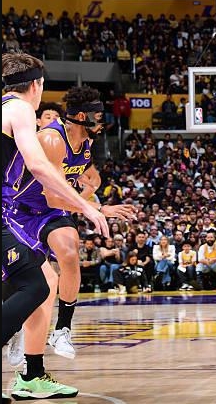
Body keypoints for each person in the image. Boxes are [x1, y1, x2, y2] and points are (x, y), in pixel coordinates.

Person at [5, 86, 134, 385]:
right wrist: (97, 208)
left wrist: (92, 194)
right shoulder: (52, 139)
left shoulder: (86, 143)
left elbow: (84, 181)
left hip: (51, 211)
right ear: (82, 117)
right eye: (98, 116)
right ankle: (16, 330)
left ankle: (62, 329)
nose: (102, 122)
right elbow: (52, 195)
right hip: (21, 211)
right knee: (36, 284)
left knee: (69, 250)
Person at [2, 52, 108, 400]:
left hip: (18, 213)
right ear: (36, 85)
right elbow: (40, 169)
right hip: (17, 212)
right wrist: (88, 207)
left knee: (43, 282)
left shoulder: (7, 109)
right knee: (36, 284)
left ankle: (32, 374)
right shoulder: (20, 109)